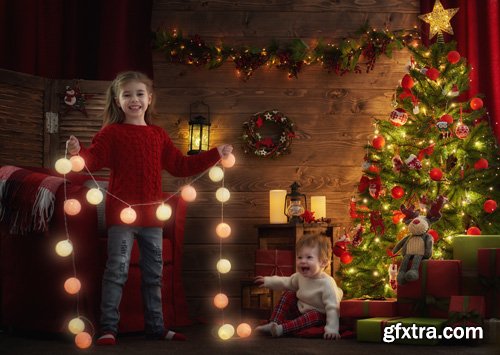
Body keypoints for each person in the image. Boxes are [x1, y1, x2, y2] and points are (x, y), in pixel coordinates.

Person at [66, 71, 232, 345]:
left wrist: (215, 154)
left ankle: (157, 328)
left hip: (153, 219)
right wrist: (77, 151)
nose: (134, 100)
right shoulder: (111, 133)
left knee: (154, 275)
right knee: (117, 271)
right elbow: (92, 161)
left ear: (149, 98)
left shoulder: (157, 135)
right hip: (122, 218)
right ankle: (108, 328)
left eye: (140, 94)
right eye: (127, 95)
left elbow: (180, 166)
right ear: (118, 101)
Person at [254, 233, 343, 340]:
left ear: (323, 262)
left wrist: (332, 329)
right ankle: (273, 323)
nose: (302, 261)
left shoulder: (327, 283)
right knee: (289, 293)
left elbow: (333, 308)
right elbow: (285, 282)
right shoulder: (300, 277)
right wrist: (267, 281)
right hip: (301, 310)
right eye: (299, 257)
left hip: (320, 315)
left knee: (313, 315)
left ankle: (281, 329)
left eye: (309, 257)